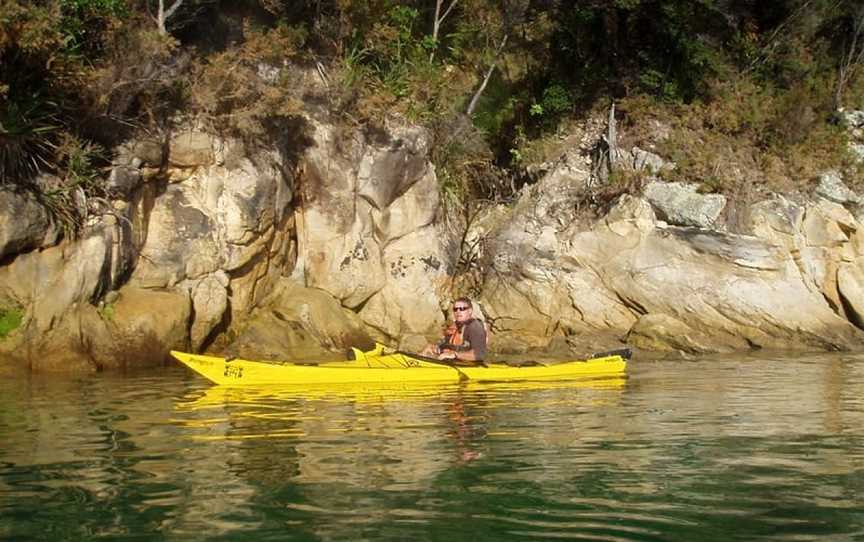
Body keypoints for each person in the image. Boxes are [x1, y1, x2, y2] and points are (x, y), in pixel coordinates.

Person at [422, 297, 487, 364]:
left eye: (462, 309)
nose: (458, 312)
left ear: (470, 311)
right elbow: (445, 345)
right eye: (455, 309)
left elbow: (479, 355)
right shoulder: (455, 326)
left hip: (469, 367)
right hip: (451, 363)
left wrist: (455, 354)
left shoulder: (475, 327)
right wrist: (436, 348)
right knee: (427, 350)